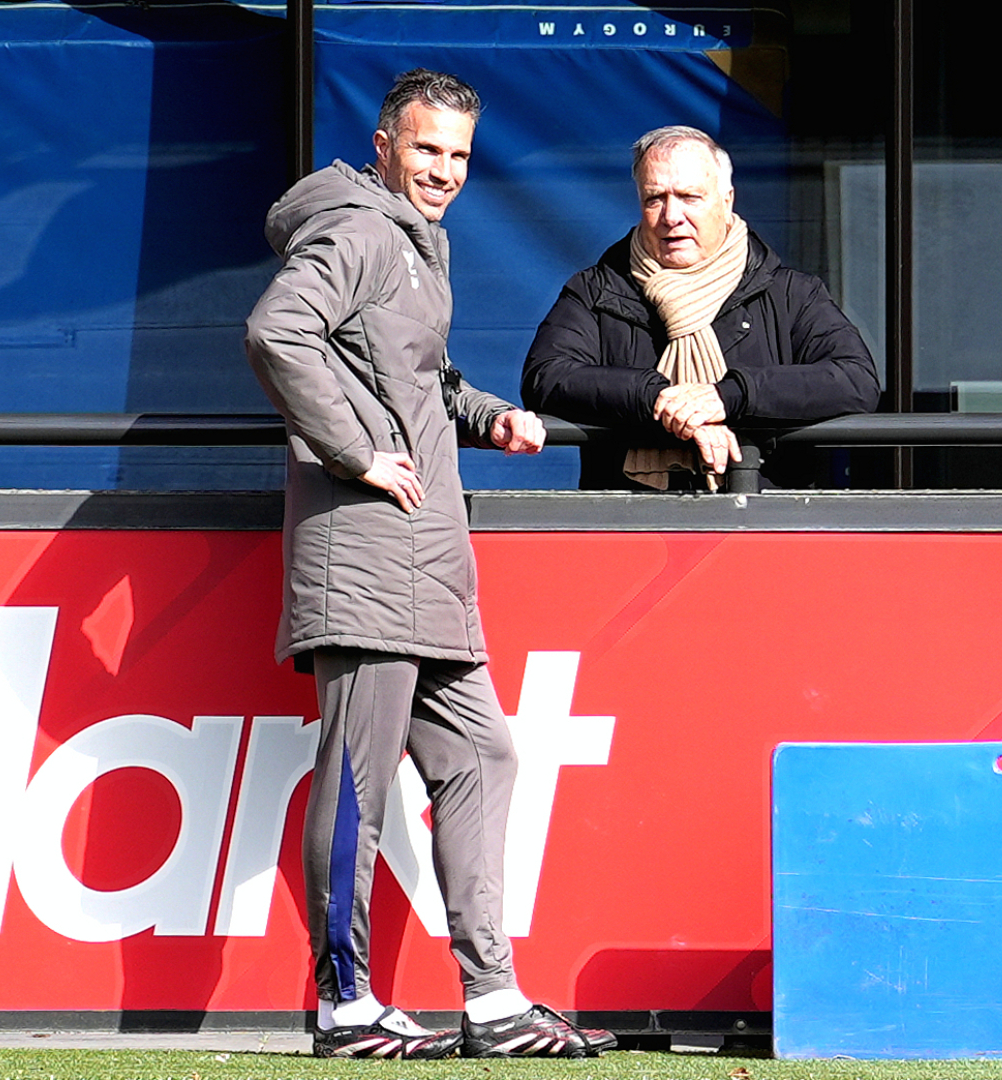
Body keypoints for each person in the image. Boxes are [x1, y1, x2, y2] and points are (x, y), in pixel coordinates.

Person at [243, 69, 616, 1060]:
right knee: (359, 784)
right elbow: (278, 330)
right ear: (383, 145)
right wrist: (354, 450)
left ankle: (492, 1001)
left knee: (482, 756)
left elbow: (423, 378)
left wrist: (489, 415)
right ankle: (343, 1004)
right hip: (367, 554)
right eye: (426, 150)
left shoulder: (418, 246)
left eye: (457, 154)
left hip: (427, 562)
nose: (443, 170)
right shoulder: (361, 230)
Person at [521, 125, 880, 490]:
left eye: (690, 197)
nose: (671, 216)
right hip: (632, 528)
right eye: (654, 198)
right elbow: (546, 377)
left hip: (765, 526)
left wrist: (727, 397)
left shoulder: (791, 294)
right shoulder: (597, 290)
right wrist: (661, 400)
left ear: (727, 201)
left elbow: (856, 379)